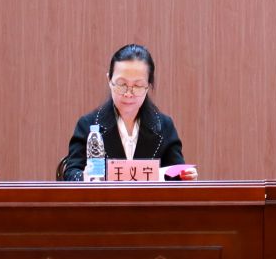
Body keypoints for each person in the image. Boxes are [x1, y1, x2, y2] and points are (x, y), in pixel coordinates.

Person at [57, 44, 187, 180]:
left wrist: (185, 177)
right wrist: (84, 177)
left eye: (137, 86)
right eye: (121, 84)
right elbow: (71, 173)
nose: (128, 94)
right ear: (109, 80)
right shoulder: (88, 124)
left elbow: (176, 173)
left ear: (148, 86)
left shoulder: (164, 126)